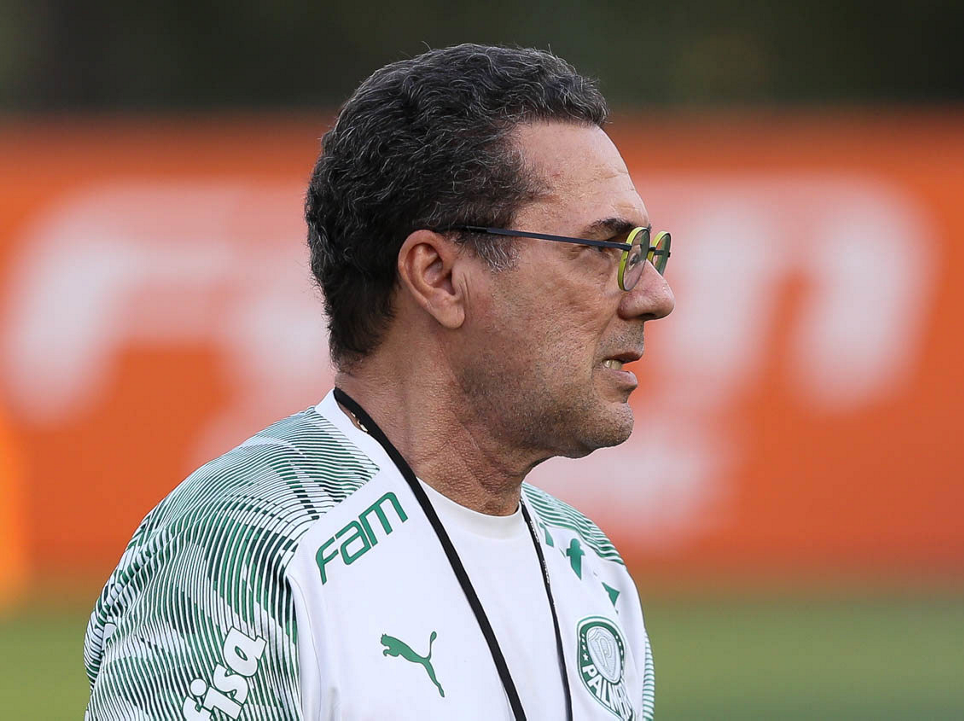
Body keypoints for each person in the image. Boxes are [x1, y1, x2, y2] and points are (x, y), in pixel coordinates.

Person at [84, 43, 674, 720]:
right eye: (606, 248)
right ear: (438, 276)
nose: (655, 296)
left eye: (647, 253)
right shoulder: (250, 545)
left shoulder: (591, 569)